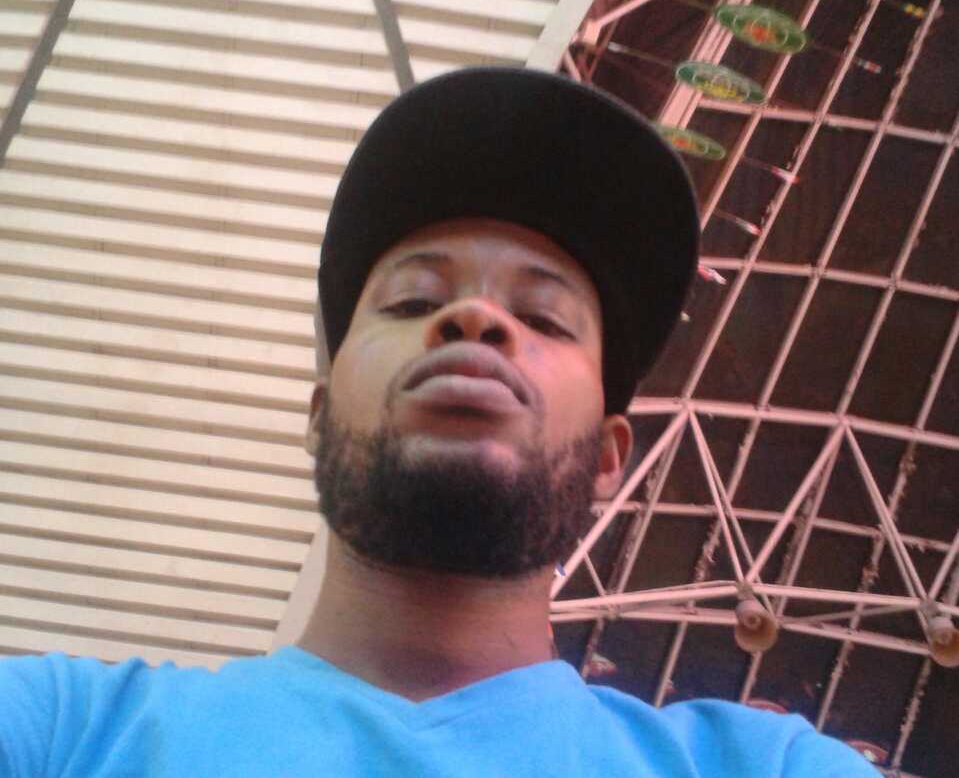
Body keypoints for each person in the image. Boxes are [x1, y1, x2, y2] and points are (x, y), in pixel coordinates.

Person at [0, 68, 879, 776]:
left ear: (610, 455)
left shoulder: (764, 766)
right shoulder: (60, 732)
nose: (475, 318)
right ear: (318, 415)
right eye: (414, 299)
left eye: (543, 318)